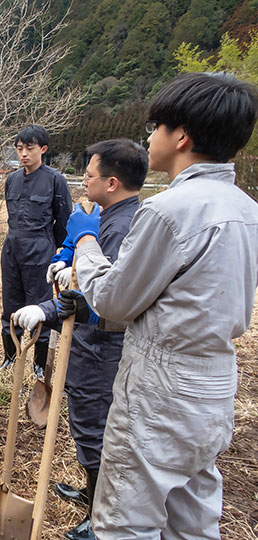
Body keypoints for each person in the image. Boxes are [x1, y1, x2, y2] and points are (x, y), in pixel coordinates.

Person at [62, 72, 258, 539]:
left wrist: (85, 241)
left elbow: (114, 300)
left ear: (182, 136)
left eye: (156, 128)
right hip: (214, 382)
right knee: (192, 514)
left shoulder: (169, 210)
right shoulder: (247, 209)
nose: (150, 137)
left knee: (127, 520)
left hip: (161, 383)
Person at [12, 139, 147, 540]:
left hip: (101, 348)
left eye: (88, 175)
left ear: (111, 182)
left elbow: (103, 300)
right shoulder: (109, 216)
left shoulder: (120, 227)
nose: (82, 181)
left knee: (94, 427)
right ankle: (92, 492)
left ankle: (98, 513)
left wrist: (48, 311)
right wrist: (66, 268)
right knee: (88, 426)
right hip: (89, 341)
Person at [0, 125, 72, 376]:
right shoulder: (12, 179)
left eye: (29, 148)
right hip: (12, 247)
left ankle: (40, 365)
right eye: (19, 149)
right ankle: (10, 357)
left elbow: (63, 222)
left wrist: (61, 255)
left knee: (40, 306)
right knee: (10, 303)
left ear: (43, 149)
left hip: (41, 247)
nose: (24, 154)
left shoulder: (55, 180)